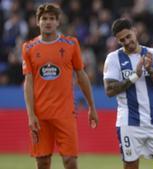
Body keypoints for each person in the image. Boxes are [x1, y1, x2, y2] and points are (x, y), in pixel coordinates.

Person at [22, 3, 99, 169]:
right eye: (44, 18)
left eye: (52, 18)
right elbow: (28, 82)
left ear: (58, 22)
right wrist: (30, 115)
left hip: (65, 113)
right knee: (42, 162)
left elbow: (82, 75)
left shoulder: (71, 44)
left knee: (70, 161)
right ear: (37, 22)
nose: (48, 22)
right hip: (40, 114)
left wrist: (91, 106)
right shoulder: (28, 48)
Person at [103, 18, 153, 169]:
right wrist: (135, 75)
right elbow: (109, 90)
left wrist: (151, 70)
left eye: (128, 36)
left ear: (135, 31)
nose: (127, 41)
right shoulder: (114, 58)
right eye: (122, 40)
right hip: (129, 123)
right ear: (117, 40)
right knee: (131, 166)